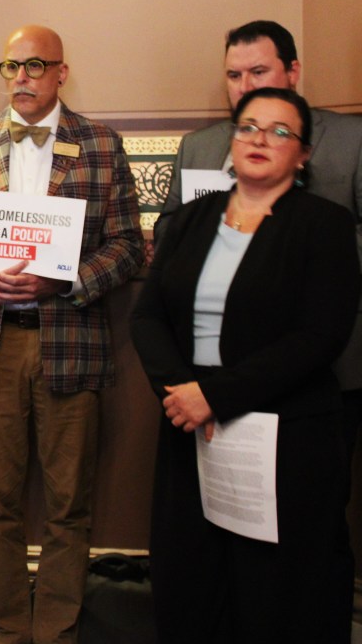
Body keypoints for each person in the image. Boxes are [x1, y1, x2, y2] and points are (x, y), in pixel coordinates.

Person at [0, 25, 145, 644]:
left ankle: (57, 634)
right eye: (11, 66)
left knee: (70, 508)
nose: (20, 77)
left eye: (34, 66)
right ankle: (6, 634)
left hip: (70, 342)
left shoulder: (100, 144)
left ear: (60, 74)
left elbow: (129, 247)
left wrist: (67, 281)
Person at [131, 87, 360, 643]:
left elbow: (321, 336)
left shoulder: (325, 225)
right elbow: (147, 317)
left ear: (303, 154)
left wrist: (218, 396)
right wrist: (183, 390)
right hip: (189, 427)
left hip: (287, 436)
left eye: (280, 131)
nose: (260, 139)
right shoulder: (190, 220)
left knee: (276, 595)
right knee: (193, 584)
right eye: (249, 127)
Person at [156, 21, 362, 445]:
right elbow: (167, 227)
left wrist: (286, 251)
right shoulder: (199, 145)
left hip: (317, 365)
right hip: (208, 372)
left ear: (293, 71)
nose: (245, 85)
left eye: (258, 72)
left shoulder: (350, 139)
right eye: (234, 75)